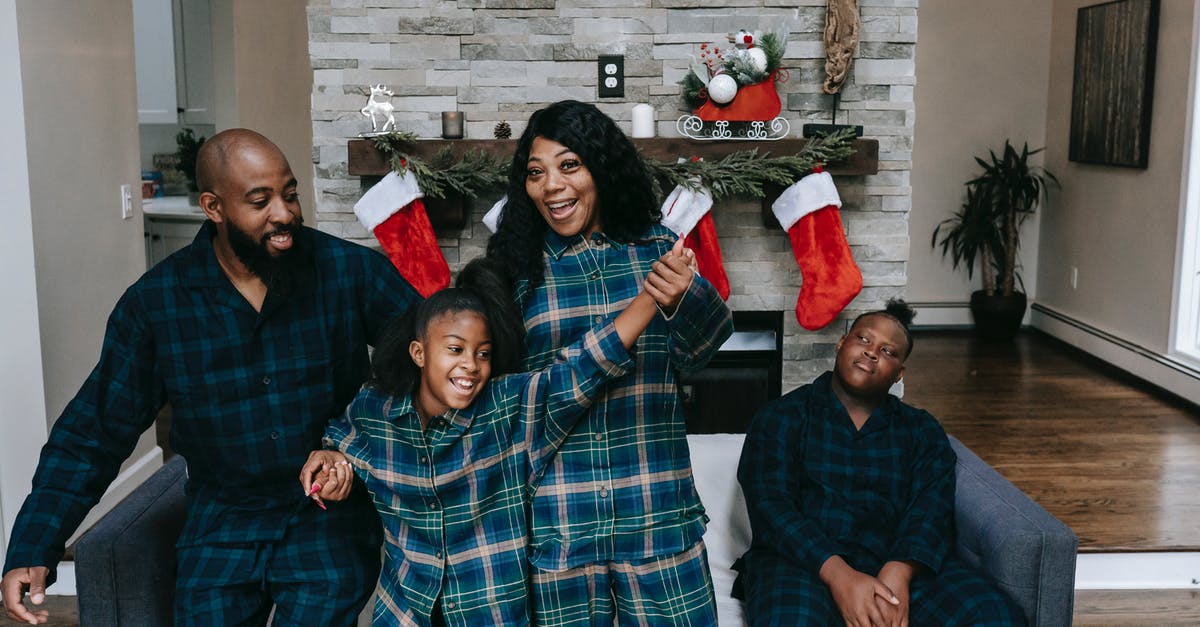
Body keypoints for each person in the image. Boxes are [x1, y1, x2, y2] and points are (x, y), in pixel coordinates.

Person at [1, 129, 421, 625]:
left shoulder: (350, 272)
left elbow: (428, 361)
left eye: (289, 194)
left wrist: (357, 447)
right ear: (213, 207)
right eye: (260, 201)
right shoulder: (156, 304)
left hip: (326, 519)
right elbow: (94, 431)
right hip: (222, 521)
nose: (284, 214)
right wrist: (34, 543)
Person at [300, 253, 689, 625]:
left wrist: (651, 296)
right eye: (455, 349)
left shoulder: (508, 406)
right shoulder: (376, 407)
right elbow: (339, 442)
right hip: (404, 614)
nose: (470, 365)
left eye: (482, 354)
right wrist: (330, 460)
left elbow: (584, 367)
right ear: (419, 353)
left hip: (490, 614)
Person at [486, 100, 734, 625]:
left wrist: (688, 294)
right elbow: (524, 404)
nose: (551, 185)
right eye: (535, 173)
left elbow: (701, 353)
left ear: (602, 166)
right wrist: (639, 311)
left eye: (569, 165)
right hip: (560, 524)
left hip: (657, 512)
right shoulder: (515, 273)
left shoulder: (657, 248)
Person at [735, 300, 1025, 626]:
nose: (873, 352)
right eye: (864, 339)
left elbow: (931, 508)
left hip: (895, 563)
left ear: (900, 373)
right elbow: (771, 506)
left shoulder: (921, 429)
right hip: (802, 564)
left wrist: (898, 572)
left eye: (888, 352)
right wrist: (840, 575)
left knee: (993, 614)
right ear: (841, 343)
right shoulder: (781, 416)